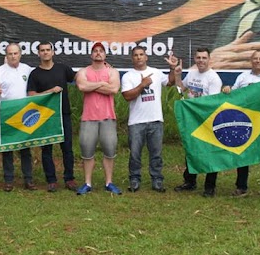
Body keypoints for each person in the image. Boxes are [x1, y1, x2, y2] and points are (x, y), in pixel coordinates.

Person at [221, 49, 260, 201]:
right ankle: (241, 186)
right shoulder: (243, 77)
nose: (257, 61)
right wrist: (227, 89)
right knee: (244, 154)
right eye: (255, 58)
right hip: (245, 123)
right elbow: (234, 96)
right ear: (251, 60)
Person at [121, 46, 178, 193]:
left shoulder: (157, 73)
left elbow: (170, 82)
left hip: (155, 120)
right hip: (136, 122)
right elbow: (127, 96)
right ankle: (134, 179)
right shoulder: (128, 76)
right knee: (135, 154)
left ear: (146, 57)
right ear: (132, 58)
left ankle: (157, 180)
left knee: (156, 154)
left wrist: (172, 68)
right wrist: (142, 85)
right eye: (136, 55)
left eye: (141, 54)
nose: (139, 57)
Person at [27, 42, 78, 192]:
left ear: (53, 52)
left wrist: (103, 68)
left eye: (48, 50)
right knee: (47, 149)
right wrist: (50, 91)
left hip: (64, 114)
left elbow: (79, 77)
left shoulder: (63, 69)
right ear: (38, 54)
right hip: (45, 117)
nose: (45, 53)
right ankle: (51, 180)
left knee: (67, 148)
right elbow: (31, 95)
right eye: (42, 50)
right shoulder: (35, 74)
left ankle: (70, 179)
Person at [173, 48, 223, 197]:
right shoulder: (192, 73)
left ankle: (210, 187)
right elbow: (182, 89)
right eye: (198, 57)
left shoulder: (214, 78)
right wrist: (177, 76)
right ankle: (190, 181)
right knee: (191, 150)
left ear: (209, 60)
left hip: (208, 121)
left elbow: (212, 104)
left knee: (210, 153)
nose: (201, 60)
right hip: (192, 119)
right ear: (195, 59)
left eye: (204, 58)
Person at [74, 42, 122, 195]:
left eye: (101, 51)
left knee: (109, 150)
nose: (98, 53)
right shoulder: (83, 71)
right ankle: (87, 183)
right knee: (87, 152)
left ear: (105, 55)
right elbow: (82, 87)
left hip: (108, 117)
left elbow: (113, 89)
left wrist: (92, 85)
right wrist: (102, 84)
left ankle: (109, 182)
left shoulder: (113, 72)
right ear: (91, 55)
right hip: (88, 118)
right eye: (95, 51)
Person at [0, 43, 36, 192]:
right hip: (6, 114)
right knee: (7, 148)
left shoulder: (27, 70)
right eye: (10, 54)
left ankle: (28, 179)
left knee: (25, 148)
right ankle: (8, 180)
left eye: (15, 53)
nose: (13, 56)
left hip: (24, 115)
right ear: (6, 55)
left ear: (20, 54)